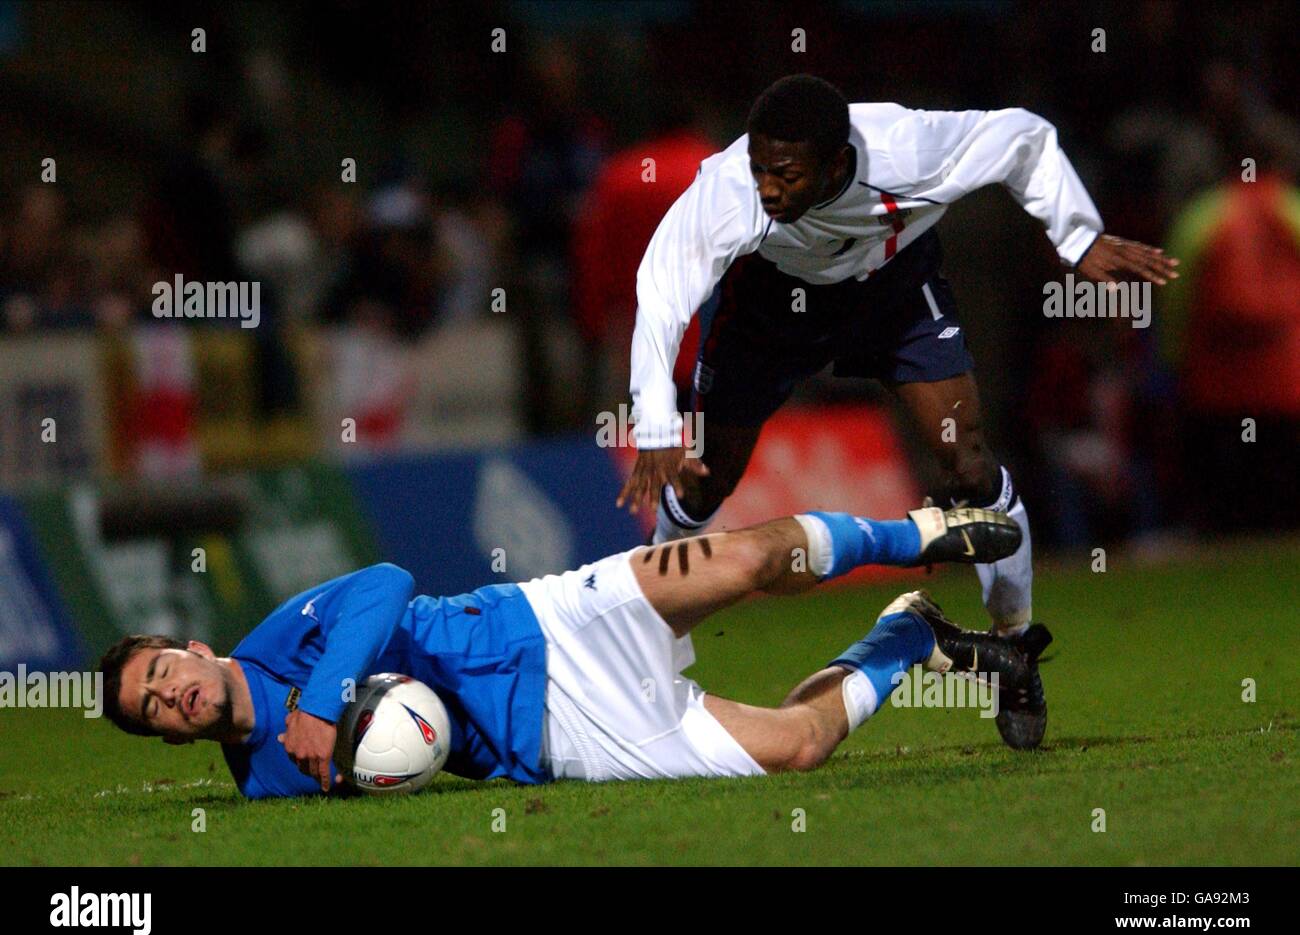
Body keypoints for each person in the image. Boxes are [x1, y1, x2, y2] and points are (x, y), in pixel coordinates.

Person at [617, 75, 1177, 750]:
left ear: (838, 163)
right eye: (761, 169)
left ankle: (1015, 649)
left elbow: (1022, 136)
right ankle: (642, 638)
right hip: (773, 302)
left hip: (894, 290)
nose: (766, 187)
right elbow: (662, 286)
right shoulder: (728, 188)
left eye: (786, 175)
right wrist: (654, 426)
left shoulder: (909, 149)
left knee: (967, 460)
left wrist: (1077, 236)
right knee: (708, 475)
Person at [99, 505, 1047, 798]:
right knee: (799, 746)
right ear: (174, 738)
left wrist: (322, 696)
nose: (169, 696)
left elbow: (386, 582)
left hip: (547, 618)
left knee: (750, 558)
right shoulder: (267, 784)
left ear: (191, 647)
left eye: (159, 674)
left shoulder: (277, 639)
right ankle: (912, 631)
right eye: (154, 710)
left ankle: (918, 529)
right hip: (562, 739)